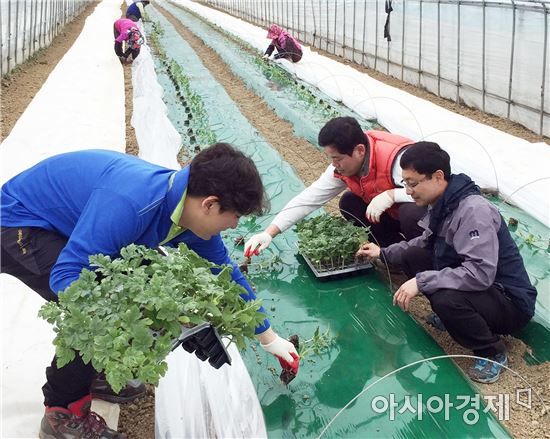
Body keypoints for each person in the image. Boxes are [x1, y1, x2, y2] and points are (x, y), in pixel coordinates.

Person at [1, 144, 299, 438]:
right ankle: (62, 410)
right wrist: (124, 318)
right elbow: (67, 277)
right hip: (21, 222)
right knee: (97, 308)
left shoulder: (187, 213)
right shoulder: (133, 203)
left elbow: (225, 273)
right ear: (209, 204)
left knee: (142, 279)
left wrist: (269, 338)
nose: (234, 225)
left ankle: (100, 369)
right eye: (234, 216)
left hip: (69, 222)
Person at [357, 142, 537, 384]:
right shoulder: (445, 204)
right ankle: (459, 318)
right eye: (405, 183)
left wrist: (421, 281)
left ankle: (492, 351)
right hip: (486, 291)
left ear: (438, 176)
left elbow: (480, 273)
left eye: (412, 183)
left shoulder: (474, 211)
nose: (408, 191)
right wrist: (383, 253)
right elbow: (424, 243)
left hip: (510, 302)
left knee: (445, 297)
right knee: (414, 257)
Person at [244, 117, 427, 257]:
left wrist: (392, 195)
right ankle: (391, 253)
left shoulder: (398, 159)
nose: (334, 164)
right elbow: (309, 199)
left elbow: (436, 190)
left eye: (337, 158)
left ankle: (423, 264)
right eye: (331, 158)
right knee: (349, 203)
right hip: (393, 216)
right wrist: (269, 233)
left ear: (360, 150)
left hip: (432, 220)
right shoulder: (343, 167)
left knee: (411, 214)